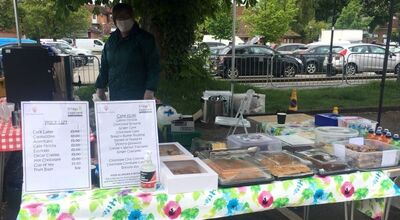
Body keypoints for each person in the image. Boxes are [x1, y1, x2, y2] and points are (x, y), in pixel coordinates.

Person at [95, 3, 160, 101]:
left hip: (139, 94)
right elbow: (105, 66)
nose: (123, 21)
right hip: (115, 94)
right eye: (120, 17)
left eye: (126, 17)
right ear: (115, 20)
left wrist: (150, 90)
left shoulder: (145, 39)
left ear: (132, 17)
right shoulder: (111, 41)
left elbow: (153, 67)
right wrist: (100, 87)